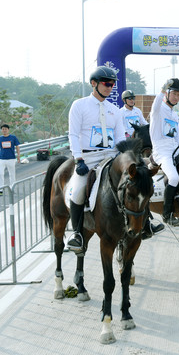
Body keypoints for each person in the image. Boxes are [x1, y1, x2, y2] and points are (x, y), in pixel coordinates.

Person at [67, 67, 125, 250]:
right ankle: (77, 234)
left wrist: (125, 158)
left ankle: (146, 223)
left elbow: (121, 138)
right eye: (106, 83)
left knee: (135, 183)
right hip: (88, 158)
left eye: (112, 84)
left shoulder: (115, 110)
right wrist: (78, 159)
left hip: (110, 158)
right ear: (94, 83)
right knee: (77, 191)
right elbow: (73, 134)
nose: (110, 87)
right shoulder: (79, 105)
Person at [150, 78, 179, 226]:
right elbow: (155, 106)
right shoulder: (158, 109)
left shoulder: (174, 114)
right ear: (167, 93)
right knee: (173, 178)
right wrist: (161, 90)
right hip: (162, 151)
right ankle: (167, 214)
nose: (177, 97)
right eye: (174, 94)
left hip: (175, 149)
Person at [0, 123, 21, 194]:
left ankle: (12, 188)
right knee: (0, 174)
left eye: (5, 129)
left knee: (12, 174)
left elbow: (17, 147)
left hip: (11, 159)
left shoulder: (13, 138)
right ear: (2, 130)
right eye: (3, 129)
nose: (4, 130)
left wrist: (18, 156)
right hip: (2, 159)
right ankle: (0, 189)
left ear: (8, 130)